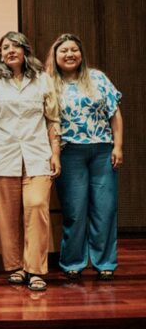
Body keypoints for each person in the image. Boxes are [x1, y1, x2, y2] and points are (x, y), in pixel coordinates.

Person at [46, 33, 123, 281]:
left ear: (81, 54)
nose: (69, 54)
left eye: (74, 50)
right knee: (75, 211)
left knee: (105, 209)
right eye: (63, 51)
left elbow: (115, 114)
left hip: (102, 151)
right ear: (55, 56)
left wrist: (117, 147)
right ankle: (72, 262)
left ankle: (105, 262)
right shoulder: (49, 83)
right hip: (70, 154)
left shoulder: (98, 78)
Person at [0, 31, 60, 292]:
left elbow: (53, 118)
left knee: (37, 206)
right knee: (8, 216)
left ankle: (36, 269)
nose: (10, 51)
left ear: (25, 51)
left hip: (38, 153)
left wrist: (56, 153)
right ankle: (15, 266)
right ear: (0, 53)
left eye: (15, 46)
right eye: (5, 46)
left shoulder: (42, 80)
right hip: (4, 154)